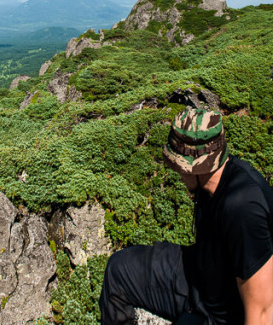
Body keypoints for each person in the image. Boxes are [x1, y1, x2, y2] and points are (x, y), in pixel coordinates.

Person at [100, 109, 273, 324]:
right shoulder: (215, 181)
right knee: (119, 270)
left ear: (198, 167)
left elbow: (263, 311)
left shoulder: (242, 208)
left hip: (221, 310)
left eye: (180, 166)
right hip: (202, 273)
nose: (177, 173)